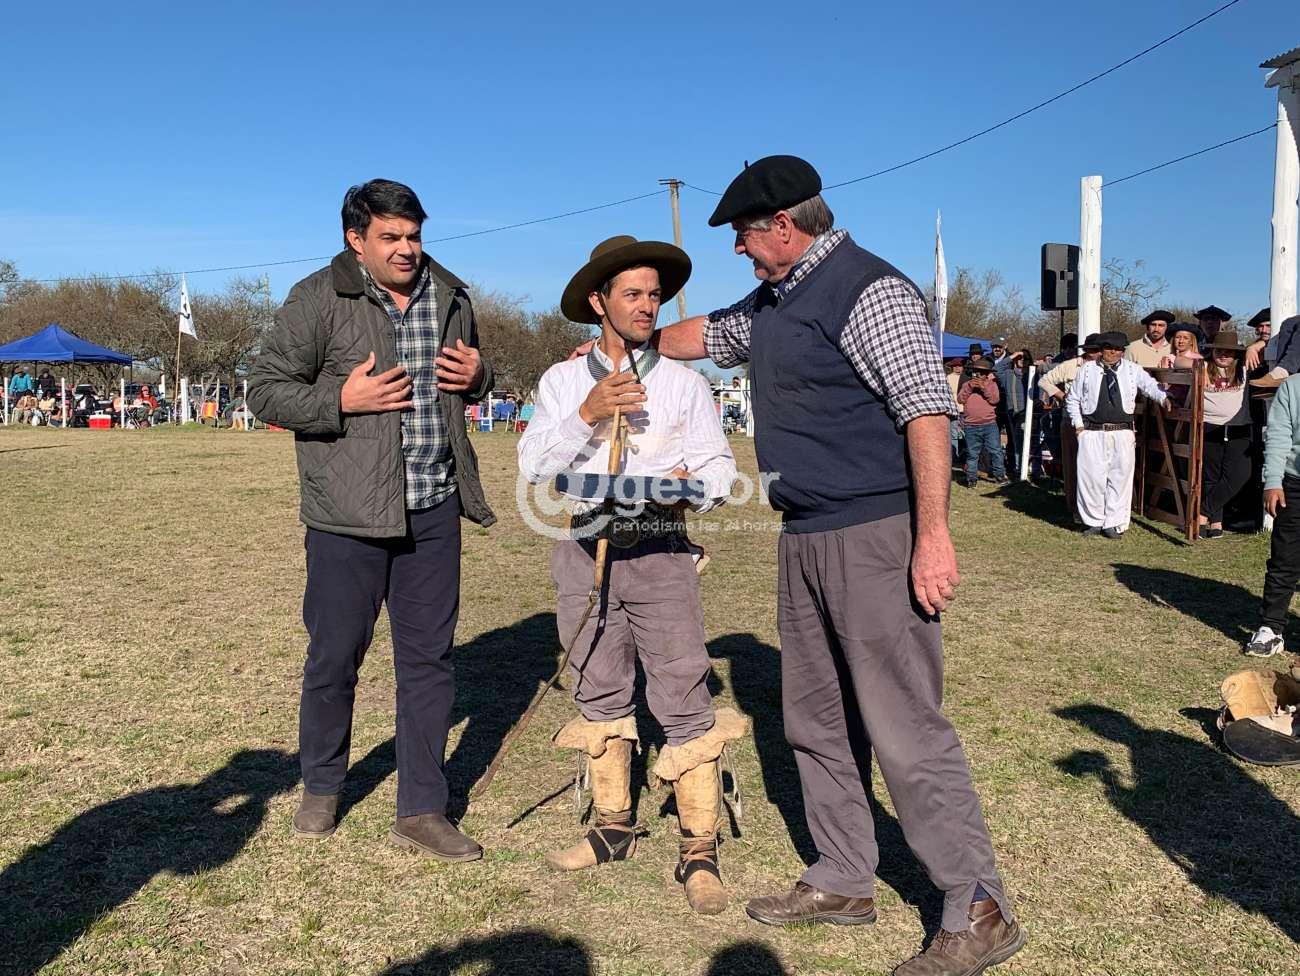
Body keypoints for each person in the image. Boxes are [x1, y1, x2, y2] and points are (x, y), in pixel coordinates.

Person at [630, 155, 1021, 974]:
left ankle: (978, 907)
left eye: (742, 234)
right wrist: (618, 336)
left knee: (905, 729)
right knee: (815, 721)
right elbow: (703, 336)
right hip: (803, 532)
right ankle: (845, 876)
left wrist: (933, 537)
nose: (736, 249)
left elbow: (926, 412)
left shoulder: (870, 291)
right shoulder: (776, 300)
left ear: (783, 226)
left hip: (875, 533)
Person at [246, 179, 495, 861]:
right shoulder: (316, 298)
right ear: (356, 239)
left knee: (429, 663)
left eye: (414, 235)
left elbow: (471, 381)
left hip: (433, 507)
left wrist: (479, 378)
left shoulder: (452, 297)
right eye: (391, 237)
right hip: (346, 515)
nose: (407, 248)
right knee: (334, 657)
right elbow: (264, 389)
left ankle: (422, 808)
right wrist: (341, 398)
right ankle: (322, 785)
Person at [518, 235, 743, 915]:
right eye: (633, 294)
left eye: (654, 295)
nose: (648, 306)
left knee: (682, 688)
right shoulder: (561, 383)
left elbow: (720, 470)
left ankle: (698, 848)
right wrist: (587, 414)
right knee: (596, 680)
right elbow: (535, 467)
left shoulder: (683, 383)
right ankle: (612, 827)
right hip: (582, 546)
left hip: (661, 549)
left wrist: (689, 487)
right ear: (599, 301)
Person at [1066, 330, 1170, 538]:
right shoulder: (1087, 370)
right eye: (1108, 348)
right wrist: (1078, 426)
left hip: (1122, 431)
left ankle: (1113, 523)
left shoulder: (1132, 369)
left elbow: (1150, 385)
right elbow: (1073, 399)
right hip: (1092, 431)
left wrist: (1163, 398)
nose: (1113, 352)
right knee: (1091, 478)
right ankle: (1094, 521)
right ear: (1101, 350)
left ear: (1123, 351)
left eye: (1117, 349)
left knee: (1120, 478)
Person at [1244, 371, 1300, 656]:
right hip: (1295, 483)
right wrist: (1273, 481)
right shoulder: (1293, 386)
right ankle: (1271, 628)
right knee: (1285, 559)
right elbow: (1278, 435)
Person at [1039, 334, 1103, 521]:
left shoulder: (1105, 367)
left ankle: (1094, 507)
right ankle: (1074, 506)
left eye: (1098, 350)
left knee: (1094, 466)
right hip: (1071, 420)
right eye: (1091, 350)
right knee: (1072, 463)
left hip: (1096, 422)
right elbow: (1044, 381)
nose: (1095, 353)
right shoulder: (1071, 365)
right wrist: (1061, 395)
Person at [1199, 333, 1253, 539]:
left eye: (1228, 352)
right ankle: (1216, 522)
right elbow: (1180, 360)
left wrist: (1254, 346)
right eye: (1218, 351)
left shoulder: (1245, 368)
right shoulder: (1202, 367)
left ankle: (1202, 513)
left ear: (1236, 354)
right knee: (1211, 476)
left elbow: (1264, 349)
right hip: (1210, 426)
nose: (1223, 355)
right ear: (1212, 352)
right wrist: (1196, 364)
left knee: (1239, 474)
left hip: (1238, 427)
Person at [958, 358, 1008, 488]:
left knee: (996, 451)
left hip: (989, 424)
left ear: (987, 374)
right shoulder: (967, 384)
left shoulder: (991, 384)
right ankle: (971, 478)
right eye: (977, 371)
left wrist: (983, 387)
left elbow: (995, 400)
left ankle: (999, 476)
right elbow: (960, 399)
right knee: (972, 453)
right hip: (970, 425)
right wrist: (970, 387)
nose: (979, 375)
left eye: (982, 372)